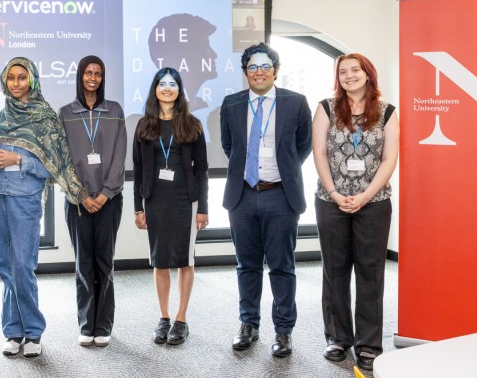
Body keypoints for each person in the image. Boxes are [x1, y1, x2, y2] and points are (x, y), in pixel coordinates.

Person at [0, 57, 89, 358]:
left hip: (25, 198)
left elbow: (52, 167)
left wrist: (18, 160)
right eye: (11, 78)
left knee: (22, 265)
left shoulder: (45, 118)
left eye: (22, 77)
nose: (16, 83)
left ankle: (32, 330)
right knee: (3, 262)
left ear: (33, 80)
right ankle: (12, 330)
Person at [219, 42, 312, 358]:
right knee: (246, 266)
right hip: (242, 196)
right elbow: (229, 147)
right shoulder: (231, 103)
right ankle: (249, 324)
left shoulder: (295, 102)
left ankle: (284, 331)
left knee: (282, 267)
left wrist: (280, 170)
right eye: (252, 67)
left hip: (280, 197)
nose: (259, 72)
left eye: (265, 66)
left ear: (275, 69)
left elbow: (303, 146)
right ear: (245, 72)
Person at [312, 53, 399, 372]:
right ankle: (337, 338)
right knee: (334, 270)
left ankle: (368, 345)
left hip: (373, 204)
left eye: (355, 70)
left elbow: (390, 158)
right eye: (343, 72)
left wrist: (365, 195)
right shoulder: (326, 107)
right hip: (330, 201)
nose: (349, 76)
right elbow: (318, 151)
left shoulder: (387, 111)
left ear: (368, 74)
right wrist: (335, 193)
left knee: (370, 273)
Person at [133, 67, 208, 346]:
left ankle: (181, 319)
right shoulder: (144, 126)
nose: (167, 88)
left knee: (184, 259)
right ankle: (163, 317)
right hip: (154, 200)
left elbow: (201, 169)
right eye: (162, 84)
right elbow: (139, 170)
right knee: (160, 259)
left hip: (185, 200)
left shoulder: (192, 124)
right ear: (155, 89)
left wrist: (204, 208)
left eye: (172, 84)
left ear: (179, 89)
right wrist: (137, 208)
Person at [59, 56, 127, 348]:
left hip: (109, 199)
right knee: (83, 262)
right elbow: (62, 159)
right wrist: (81, 195)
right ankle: (87, 325)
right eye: (88, 72)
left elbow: (119, 155)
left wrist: (104, 193)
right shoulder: (65, 112)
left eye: (98, 73)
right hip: (77, 202)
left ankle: (104, 325)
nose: (93, 77)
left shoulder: (114, 110)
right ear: (80, 76)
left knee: (104, 262)